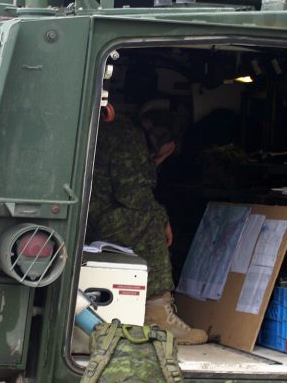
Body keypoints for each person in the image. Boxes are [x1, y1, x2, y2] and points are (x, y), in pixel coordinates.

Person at [88, 105, 208, 345]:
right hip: (100, 216)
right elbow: (133, 194)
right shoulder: (127, 135)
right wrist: (163, 218)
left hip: (89, 215)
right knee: (151, 221)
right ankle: (157, 314)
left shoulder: (117, 130)